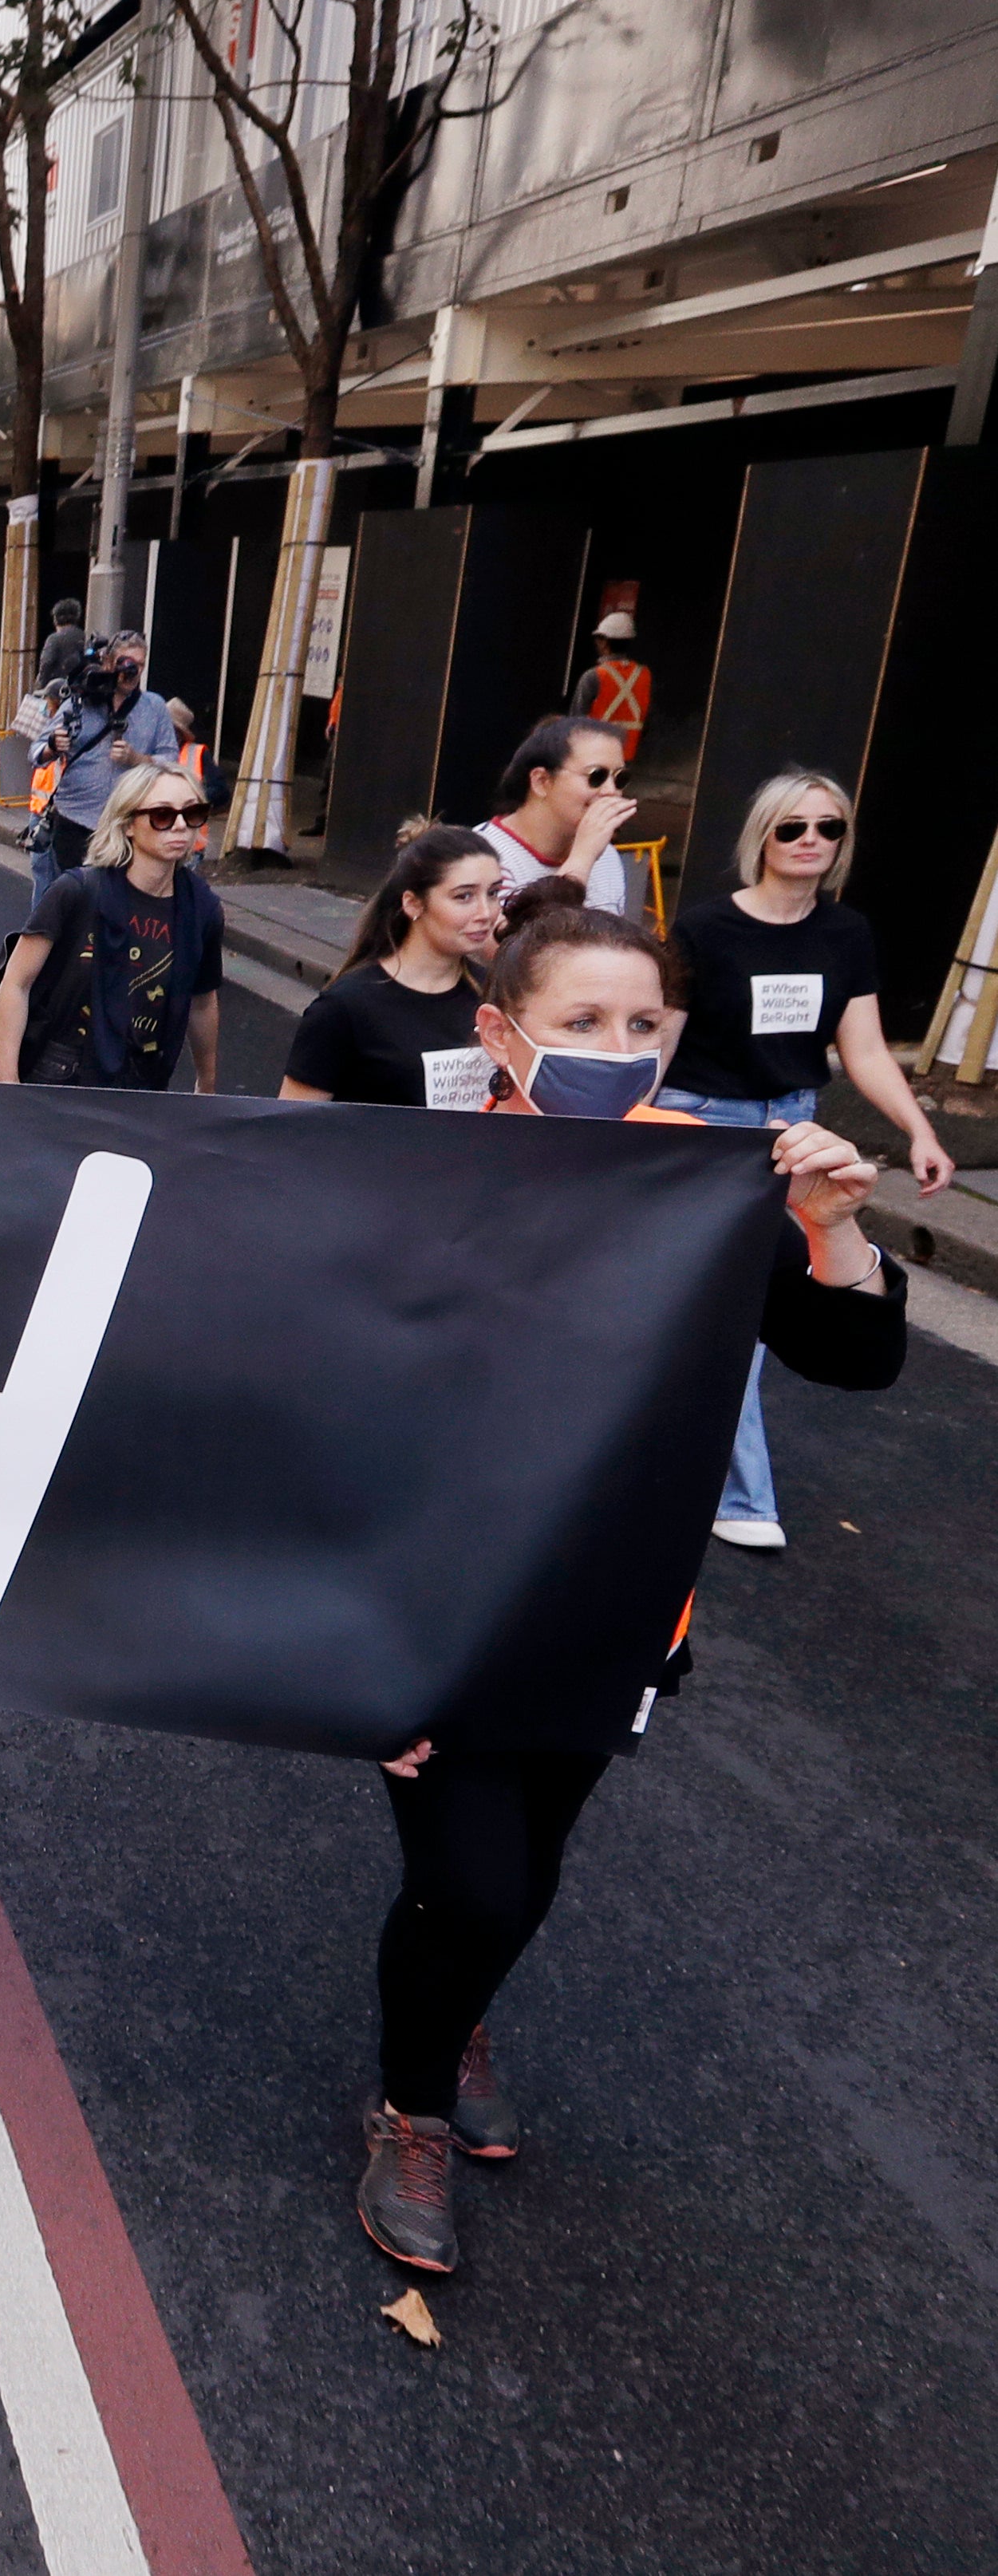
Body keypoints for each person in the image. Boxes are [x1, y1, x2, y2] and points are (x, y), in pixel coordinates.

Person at [352, 895, 903, 2278]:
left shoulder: (713, 1181)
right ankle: (409, 2107)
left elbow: (854, 1357)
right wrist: (345, 1656)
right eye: (581, 1021)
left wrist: (834, 1227)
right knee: (471, 1885)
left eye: (642, 1024)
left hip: (616, 1620)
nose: (616, 1048)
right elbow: (320, 1416)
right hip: (435, 1618)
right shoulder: (411, 1179)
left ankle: (450, 2018)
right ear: (500, 1033)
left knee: (527, 1868)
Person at [662, 771, 954, 1552]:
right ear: (761, 835)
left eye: (828, 828)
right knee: (731, 1308)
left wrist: (919, 1131)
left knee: (749, 1307)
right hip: (704, 1124)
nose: (810, 841)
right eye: (791, 827)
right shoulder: (704, 928)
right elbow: (659, 1039)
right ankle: (741, 1496)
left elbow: (864, 1049)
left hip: (794, 1130)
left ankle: (718, 1483)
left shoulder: (845, 933)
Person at [0, 763, 223, 1091]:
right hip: (59, 1077)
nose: (180, 826)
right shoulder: (77, 891)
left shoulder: (203, 910)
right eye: (162, 815)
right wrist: (6, 1081)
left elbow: (202, 1002)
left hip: (145, 1085)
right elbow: (17, 983)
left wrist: (207, 1085)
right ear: (128, 824)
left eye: (193, 813)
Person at [278, 823, 504, 1109]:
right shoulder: (345, 1007)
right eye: (464, 896)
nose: (486, 912)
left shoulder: (498, 995)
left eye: (493, 893)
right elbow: (293, 1121)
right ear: (413, 903)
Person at [34, 633, 174, 904]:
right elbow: (36, 753)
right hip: (76, 821)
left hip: (127, 826)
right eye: (125, 662)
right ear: (108, 662)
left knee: (116, 903)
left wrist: (137, 759)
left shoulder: (154, 707)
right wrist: (53, 746)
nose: (132, 671)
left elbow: (172, 761)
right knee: (76, 900)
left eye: (139, 665)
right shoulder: (80, 701)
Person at [479, 717, 635, 916]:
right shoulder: (482, 856)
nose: (611, 791)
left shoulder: (606, 856)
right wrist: (583, 858)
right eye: (596, 776)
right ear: (541, 781)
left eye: (620, 778)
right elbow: (525, 934)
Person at [572, 609, 650, 764]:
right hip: (626, 756)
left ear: (604, 642)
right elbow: (647, 720)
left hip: (594, 756)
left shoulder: (594, 676)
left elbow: (575, 723)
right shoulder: (644, 675)